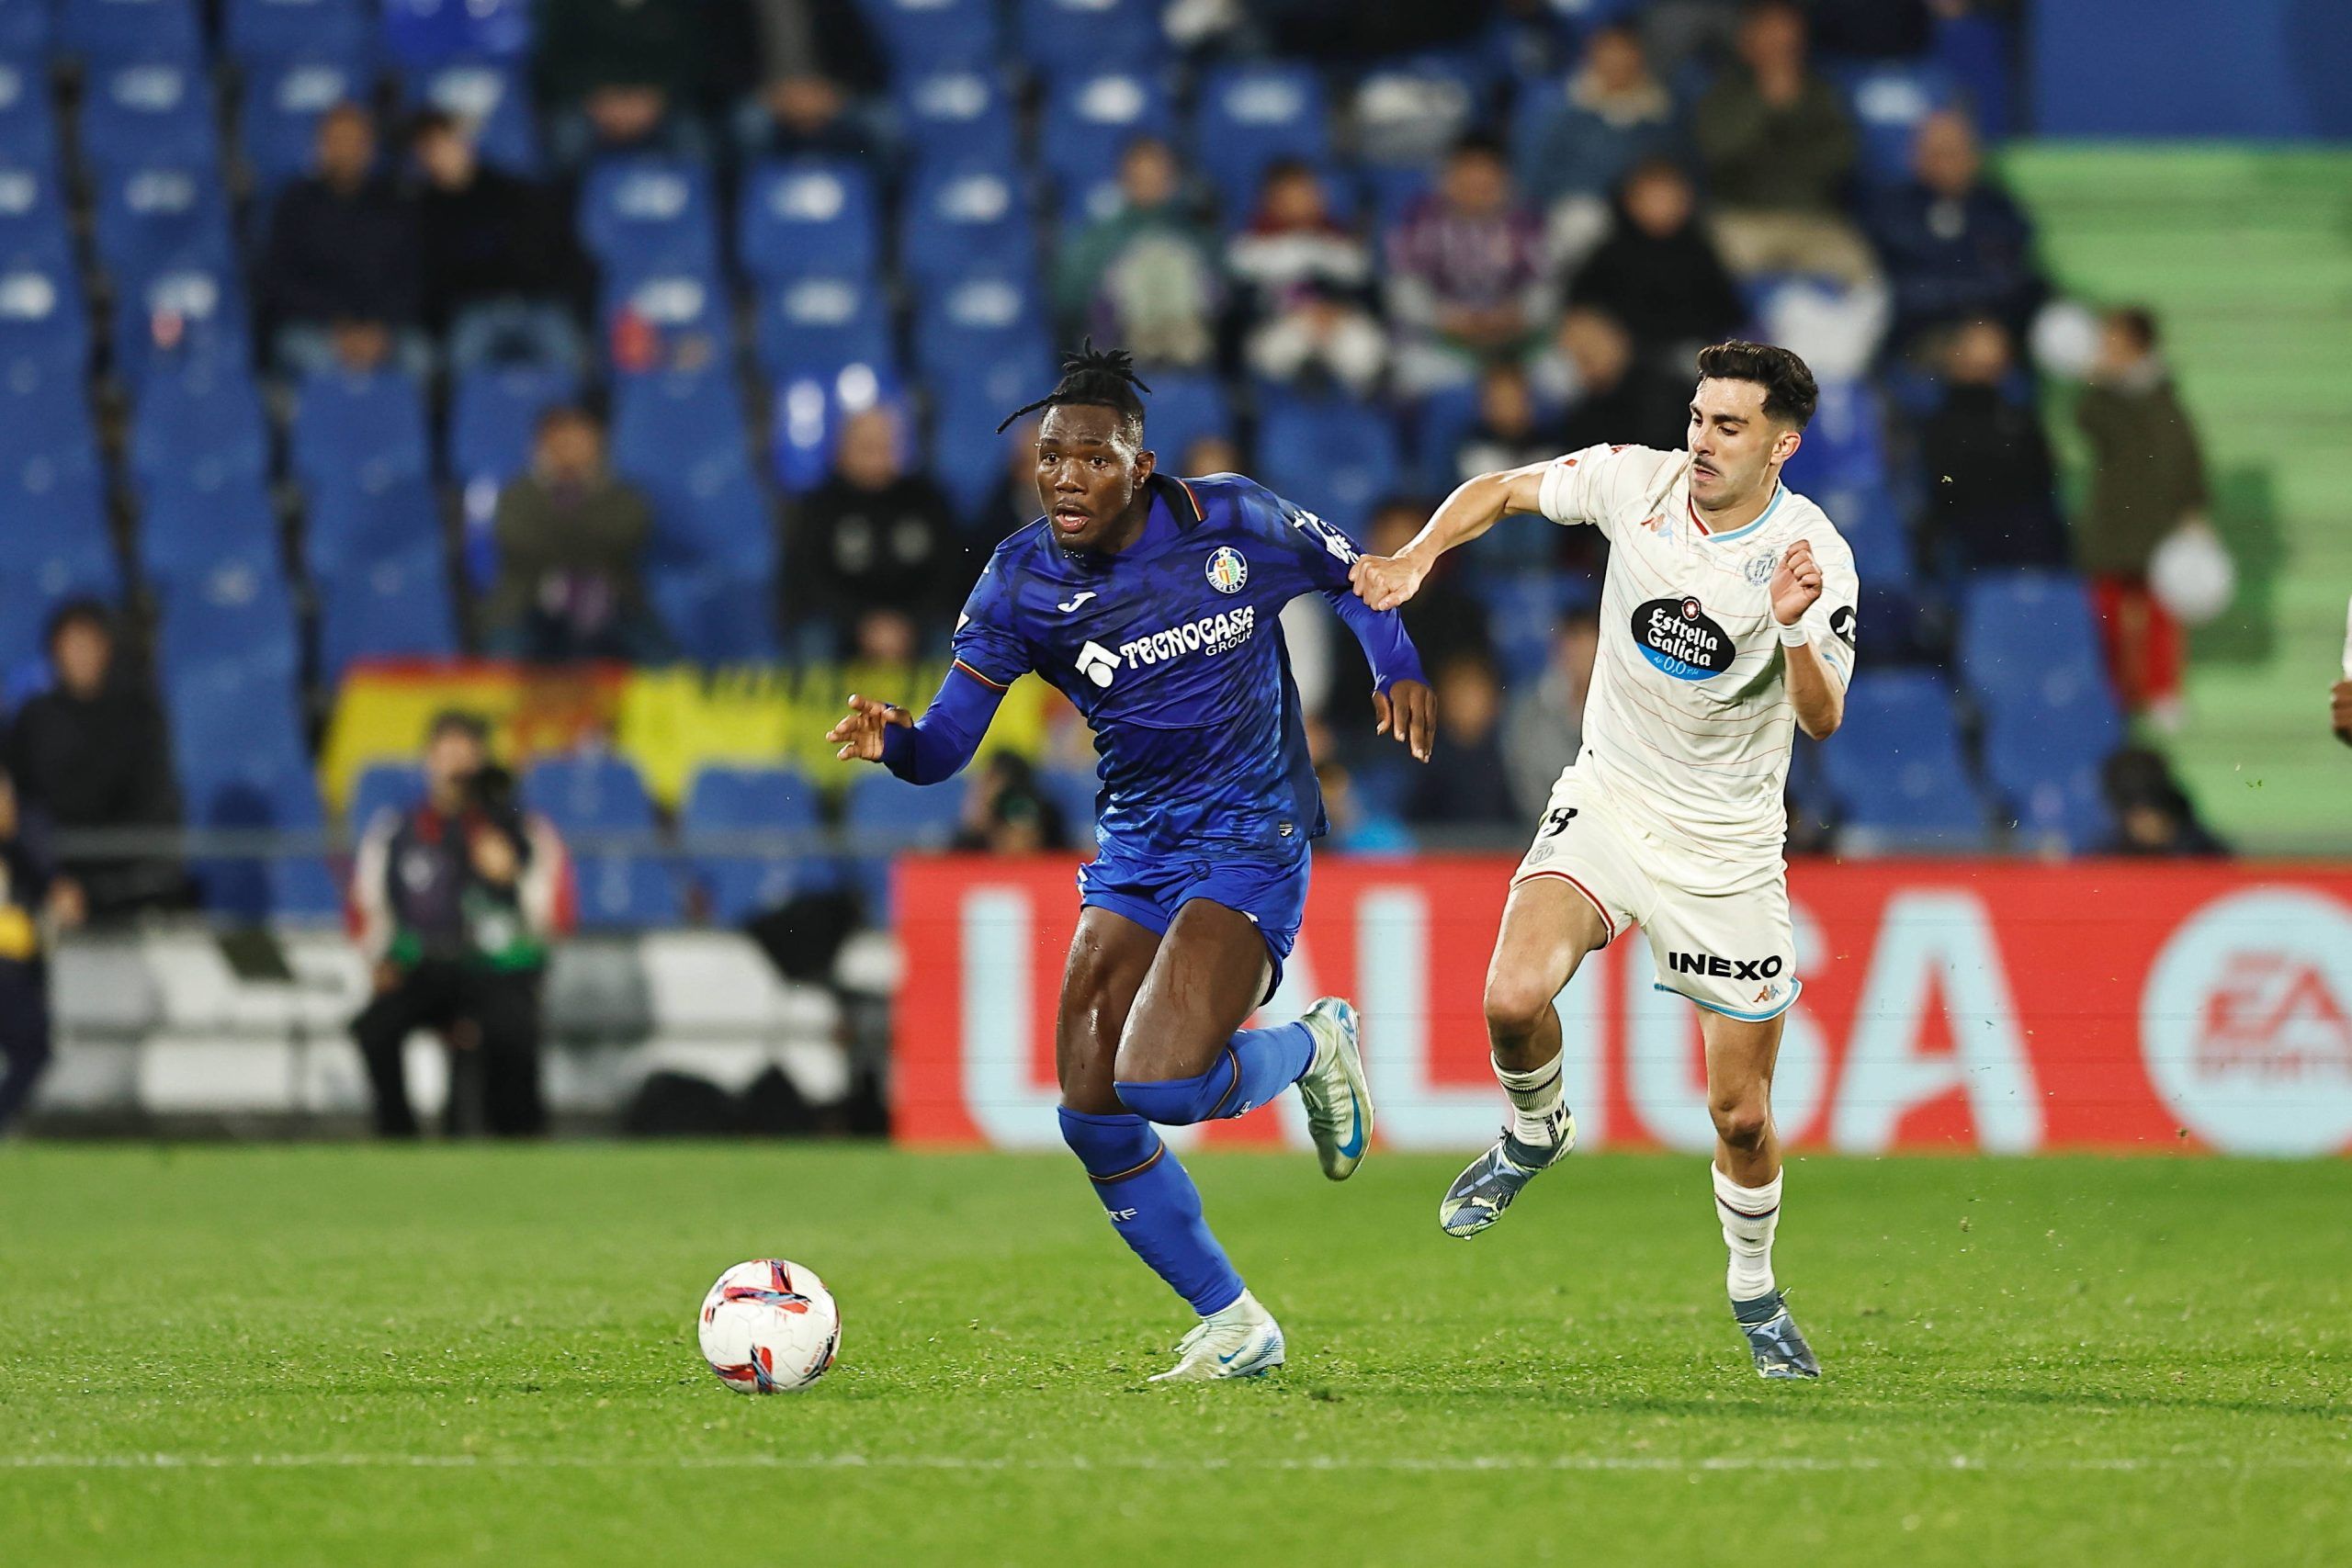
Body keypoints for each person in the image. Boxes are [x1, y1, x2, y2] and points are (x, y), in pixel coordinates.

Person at [827, 345, 1435, 1381]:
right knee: (1092, 1114)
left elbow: (1358, 582)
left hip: (1251, 833)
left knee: (1160, 1082)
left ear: (1139, 467)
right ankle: (1237, 1323)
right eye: (1050, 459)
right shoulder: (1018, 580)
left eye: (1092, 460)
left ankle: (1313, 1047)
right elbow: (944, 750)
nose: (1066, 477)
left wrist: (1395, 663)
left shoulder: (1231, 519)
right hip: (1138, 843)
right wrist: (897, 744)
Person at [1351, 340, 1857, 1380]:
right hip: (1611, 798)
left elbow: (1825, 719)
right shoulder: (1640, 482)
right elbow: (1500, 489)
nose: (1702, 439)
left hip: (1724, 847)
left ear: (1781, 444)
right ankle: (1536, 1131)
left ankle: (1753, 1287)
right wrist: (1416, 560)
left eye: (1729, 425)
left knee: (1741, 1113)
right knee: (1509, 996)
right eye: (1698, 415)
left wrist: (1794, 630)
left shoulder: (1813, 554)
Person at [348, 712, 572, 1137]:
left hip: (496, 968)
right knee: (374, 1027)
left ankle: (519, 1138)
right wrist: (379, 959)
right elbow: (367, 907)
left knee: (515, 1028)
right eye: (446, 754)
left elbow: (554, 914)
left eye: (465, 756)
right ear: (428, 760)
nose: (455, 768)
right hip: (427, 967)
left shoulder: (521, 829)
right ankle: (397, 1137)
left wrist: (514, 876)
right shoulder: (396, 832)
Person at [2075, 307, 2211, 728]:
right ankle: (2114, 692)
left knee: (2161, 612)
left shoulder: (2163, 397)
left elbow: (2185, 458)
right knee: (2107, 611)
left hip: (2158, 519)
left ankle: (2161, 690)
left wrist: (2193, 511)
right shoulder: (2105, 397)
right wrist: (2098, 382)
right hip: (2114, 518)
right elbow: (2087, 424)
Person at [2, 602, 183, 918]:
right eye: (70, 645)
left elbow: (153, 807)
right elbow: (18, 802)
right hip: (46, 879)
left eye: (88, 644)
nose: (79, 655)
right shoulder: (34, 718)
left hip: (125, 886)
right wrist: (48, 875)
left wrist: (95, 886)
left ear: (107, 648)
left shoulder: (139, 717)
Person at [1690, 1, 1875, 287]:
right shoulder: (1723, 93)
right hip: (1743, 217)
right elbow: (1719, 151)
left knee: (1863, 280)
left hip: (1812, 216)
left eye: (1788, 34)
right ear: (1748, 41)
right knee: (1708, 275)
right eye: (1770, 32)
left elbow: (1843, 156)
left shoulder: (1823, 92)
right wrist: (1764, 103)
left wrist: (1791, 117)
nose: (1780, 42)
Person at [482, 406, 669, 662]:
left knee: (664, 661)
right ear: (543, 443)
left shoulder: (625, 495)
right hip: (528, 603)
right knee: (504, 650)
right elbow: (518, 542)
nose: (571, 448)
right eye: (562, 439)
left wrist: (560, 530)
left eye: (580, 439)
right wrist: (585, 537)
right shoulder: (515, 495)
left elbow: (627, 536)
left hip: (613, 604)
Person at [410, 110, 592, 373]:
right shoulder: (424, 209)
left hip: (534, 302)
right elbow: (436, 277)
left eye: (446, 142)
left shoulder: (507, 190)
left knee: (573, 359)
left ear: (464, 142)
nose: (441, 154)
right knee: (458, 363)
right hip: (474, 309)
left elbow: (540, 253)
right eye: (429, 148)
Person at [783, 406, 964, 660]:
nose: (877, 458)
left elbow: (949, 575)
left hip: (916, 624)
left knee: (957, 636)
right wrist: (862, 625)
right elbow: (809, 581)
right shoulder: (819, 507)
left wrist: (909, 623)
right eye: (867, 448)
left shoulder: (928, 500)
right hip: (843, 624)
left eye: (886, 447)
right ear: (842, 450)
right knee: (814, 637)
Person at [259, 103, 424, 377]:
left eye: (355, 141)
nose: (346, 150)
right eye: (336, 140)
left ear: (370, 147)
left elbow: (411, 278)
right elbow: (280, 281)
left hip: (385, 329)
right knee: (315, 360)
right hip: (315, 327)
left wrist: (378, 329)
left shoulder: (396, 202)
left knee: (420, 358)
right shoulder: (295, 202)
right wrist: (338, 327)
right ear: (320, 146)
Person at [1385, 135, 1553, 392]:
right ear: (1450, 175)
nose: (1477, 181)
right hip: (1444, 341)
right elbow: (1403, 291)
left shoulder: (1526, 221)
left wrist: (1517, 315)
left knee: (1561, 375)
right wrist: (1447, 318)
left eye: (1486, 172)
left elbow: (1545, 290)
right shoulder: (1420, 217)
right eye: (1468, 170)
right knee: (1412, 374)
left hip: (1513, 343)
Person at [1867, 109, 2044, 351]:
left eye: (1952, 153)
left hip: (1990, 331)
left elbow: (2016, 283)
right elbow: (1891, 290)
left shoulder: (1999, 211)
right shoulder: (1890, 213)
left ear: (1974, 155)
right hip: (1918, 335)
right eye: (1933, 153)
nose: (1943, 164)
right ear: (1915, 157)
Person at [1513, 21, 1680, 256]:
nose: (1618, 60)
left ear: (1640, 57)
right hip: (1568, 212)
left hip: (1641, 214)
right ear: (1592, 54)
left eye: (1626, 52)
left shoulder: (1659, 112)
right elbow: (1533, 173)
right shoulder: (1562, 107)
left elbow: (1673, 171)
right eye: (1609, 51)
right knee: (1585, 221)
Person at [1054, 138, 1221, 368]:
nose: (1149, 185)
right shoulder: (1099, 237)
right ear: (1123, 180)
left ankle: (1175, 340)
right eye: (1140, 178)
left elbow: (1224, 286)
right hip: (1120, 340)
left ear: (1172, 180)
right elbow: (1068, 297)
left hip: (1191, 343)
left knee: (1170, 257)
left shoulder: (1195, 232)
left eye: (1157, 178)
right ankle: (1147, 341)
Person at [1566, 160, 1747, 372]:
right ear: (1630, 201)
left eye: (1670, 199)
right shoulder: (1612, 253)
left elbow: (1726, 311)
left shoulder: (1699, 253)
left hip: (1687, 356)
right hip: (1617, 359)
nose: (1662, 207)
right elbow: (1580, 304)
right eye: (1653, 198)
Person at [1918, 319, 2070, 571]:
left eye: (1993, 350)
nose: (1984, 361)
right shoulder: (1934, 417)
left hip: (2026, 541)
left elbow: (2041, 478)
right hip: (1966, 541)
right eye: (1975, 350)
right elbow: (1944, 487)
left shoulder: (2019, 415)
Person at [1229, 160, 1387, 399]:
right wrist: (1298, 314)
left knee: (1365, 347)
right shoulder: (1249, 249)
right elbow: (1241, 309)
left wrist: (1336, 311)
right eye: (1289, 197)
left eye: (1305, 193)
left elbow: (1370, 298)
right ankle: (1295, 401)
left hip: (1337, 321)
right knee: (1276, 349)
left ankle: (1360, 413)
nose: (1299, 203)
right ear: (1270, 201)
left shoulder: (1342, 244)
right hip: (1279, 323)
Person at [0, 765, 80, 1135]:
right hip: (10, 964)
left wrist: (59, 906)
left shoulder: (24, 844)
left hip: (17, 963)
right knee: (33, 1050)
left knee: (33, 1049)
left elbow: (60, 895)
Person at [535, 0, 714, 164]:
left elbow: (692, 58)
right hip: (589, 101)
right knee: (569, 143)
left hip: (662, 102)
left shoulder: (681, 6)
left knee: (694, 145)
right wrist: (596, 100)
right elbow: (556, 58)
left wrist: (657, 100)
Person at [1403, 654, 1520, 830]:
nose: (1467, 703)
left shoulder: (1511, 758)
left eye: (1475, 693)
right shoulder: (1425, 760)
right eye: (1459, 693)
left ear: (1495, 701)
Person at [1502, 610, 1600, 820]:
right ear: (1558, 646)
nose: (1581, 653)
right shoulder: (1528, 708)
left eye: (1589, 641)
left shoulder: (1620, 706)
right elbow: (1524, 781)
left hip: (1608, 831)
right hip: (1540, 828)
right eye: (1574, 640)